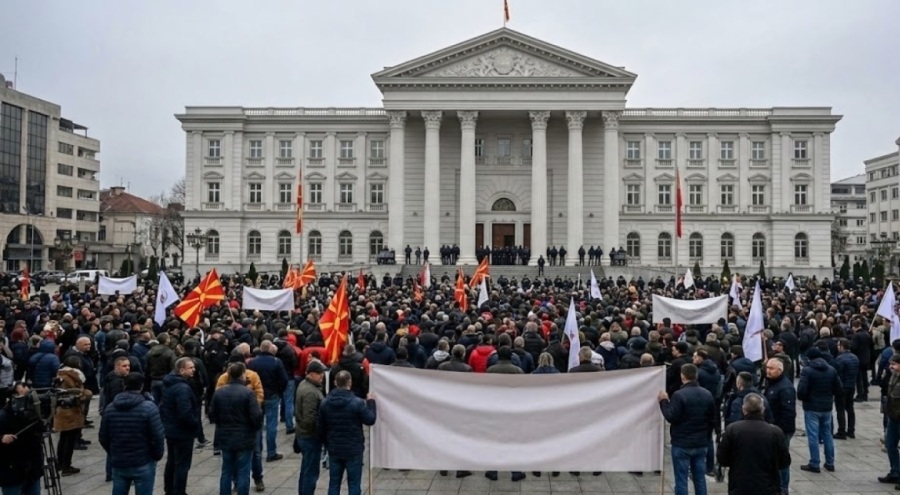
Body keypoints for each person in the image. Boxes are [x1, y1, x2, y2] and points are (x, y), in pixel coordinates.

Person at [99, 372, 165, 495]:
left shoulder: (110, 408)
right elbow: (157, 435)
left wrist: (113, 452)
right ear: (141, 386)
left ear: (124, 385)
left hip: (120, 462)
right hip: (143, 460)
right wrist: (156, 455)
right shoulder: (149, 408)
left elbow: (103, 437)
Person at [716, 393, 791, 495]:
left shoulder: (733, 430)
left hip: (740, 486)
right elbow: (785, 461)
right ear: (763, 409)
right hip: (768, 487)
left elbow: (722, 458)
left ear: (744, 409)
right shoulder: (775, 432)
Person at [658, 363, 716, 495]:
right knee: (700, 478)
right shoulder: (707, 394)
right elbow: (712, 419)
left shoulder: (679, 395)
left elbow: (671, 416)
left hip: (682, 443)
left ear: (682, 376)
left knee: (681, 479)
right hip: (701, 442)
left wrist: (664, 402)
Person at [317, 370, 376, 495]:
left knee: (334, 483)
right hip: (353, 449)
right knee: (354, 484)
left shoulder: (325, 403)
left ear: (335, 382)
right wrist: (371, 402)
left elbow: (320, 428)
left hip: (334, 448)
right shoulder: (357, 403)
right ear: (350, 382)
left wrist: (327, 445)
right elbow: (370, 419)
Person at [210, 363, 264, 495]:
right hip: (244, 438)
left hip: (225, 437)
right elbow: (256, 416)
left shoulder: (219, 393)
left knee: (226, 470)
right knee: (243, 472)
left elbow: (212, 415)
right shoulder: (248, 393)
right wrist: (254, 428)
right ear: (242, 375)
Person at [796, 347, 842, 473]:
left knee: (813, 436)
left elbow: (801, 391)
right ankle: (830, 462)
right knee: (827, 435)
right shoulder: (831, 369)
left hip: (812, 406)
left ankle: (814, 463)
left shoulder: (808, 370)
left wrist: (804, 398)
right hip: (826, 406)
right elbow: (838, 388)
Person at [159, 357, 201, 495]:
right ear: (181, 370)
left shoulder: (170, 383)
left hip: (171, 429)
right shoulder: (182, 388)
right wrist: (195, 423)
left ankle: (169, 490)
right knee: (182, 464)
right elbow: (185, 413)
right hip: (182, 432)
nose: (193, 370)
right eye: (190, 368)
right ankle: (179, 491)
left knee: (172, 461)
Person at [0, 381, 44, 495]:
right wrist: (1, 438)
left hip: (32, 468)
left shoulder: (34, 414)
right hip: (11, 470)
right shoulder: (3, 416)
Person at [248, 341, 289, 462]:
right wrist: (279, 391)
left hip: (257, 396)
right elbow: (284, 379)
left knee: (258, 425)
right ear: (270, 349)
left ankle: (258, 451)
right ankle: (271, 452)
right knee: (272, 424)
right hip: (272, 395)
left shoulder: (253, 362)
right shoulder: (276, 362)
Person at [763, 358, 796, 495]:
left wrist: (781, 432)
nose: (768, 371)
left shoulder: (785, 387)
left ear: (780, 370)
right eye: (767, 368)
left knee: (781, 459)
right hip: (772, 427)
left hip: (781, 430)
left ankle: (783, 488)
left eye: (771, 368)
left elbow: (788, 412)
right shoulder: (772, 383)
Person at [55, 355, 92, 477]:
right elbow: (75, 394)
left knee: (63, 438)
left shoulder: (61, 375)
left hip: (62, 411)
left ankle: (60, 463)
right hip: (71, 411)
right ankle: (66, 466)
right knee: (69, 440)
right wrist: (85, 394)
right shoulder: (71, 377)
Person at [294, 360, 326, 495]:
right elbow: (309, 419)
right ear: (312, 374)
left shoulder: (305, 385)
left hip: (304, 435)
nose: (322, 376)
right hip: (310, 437)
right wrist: (320, 432)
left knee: (306, 469)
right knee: (311, 472)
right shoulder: (311, 392)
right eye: (320, 374)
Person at [834, 338, 859, 439]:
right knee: (850, 408)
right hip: (851, 386)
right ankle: (851, 430)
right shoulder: (855, 358)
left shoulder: (840, 359)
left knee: (840, 409)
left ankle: (841, 431)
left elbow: (837, 374)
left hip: (842, 387)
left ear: (842, 346)